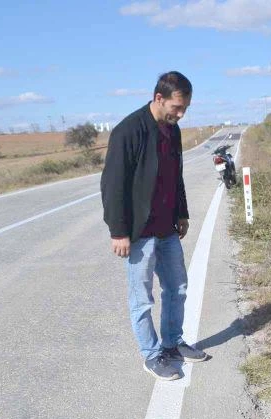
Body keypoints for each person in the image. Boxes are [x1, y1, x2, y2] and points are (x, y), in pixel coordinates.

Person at [100, 71, 207, 381]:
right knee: (142, 298)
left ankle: (173, 343)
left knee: (177, 289)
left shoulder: (172, 131)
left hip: (167, 228)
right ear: (159, 98)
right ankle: (151, 354)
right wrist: (118, 231)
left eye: (185, 108)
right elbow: (113, 185)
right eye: (177, 107)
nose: (181, 114)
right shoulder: (128, 131)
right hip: (138, 233)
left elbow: (177, 176)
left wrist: (182, 213)